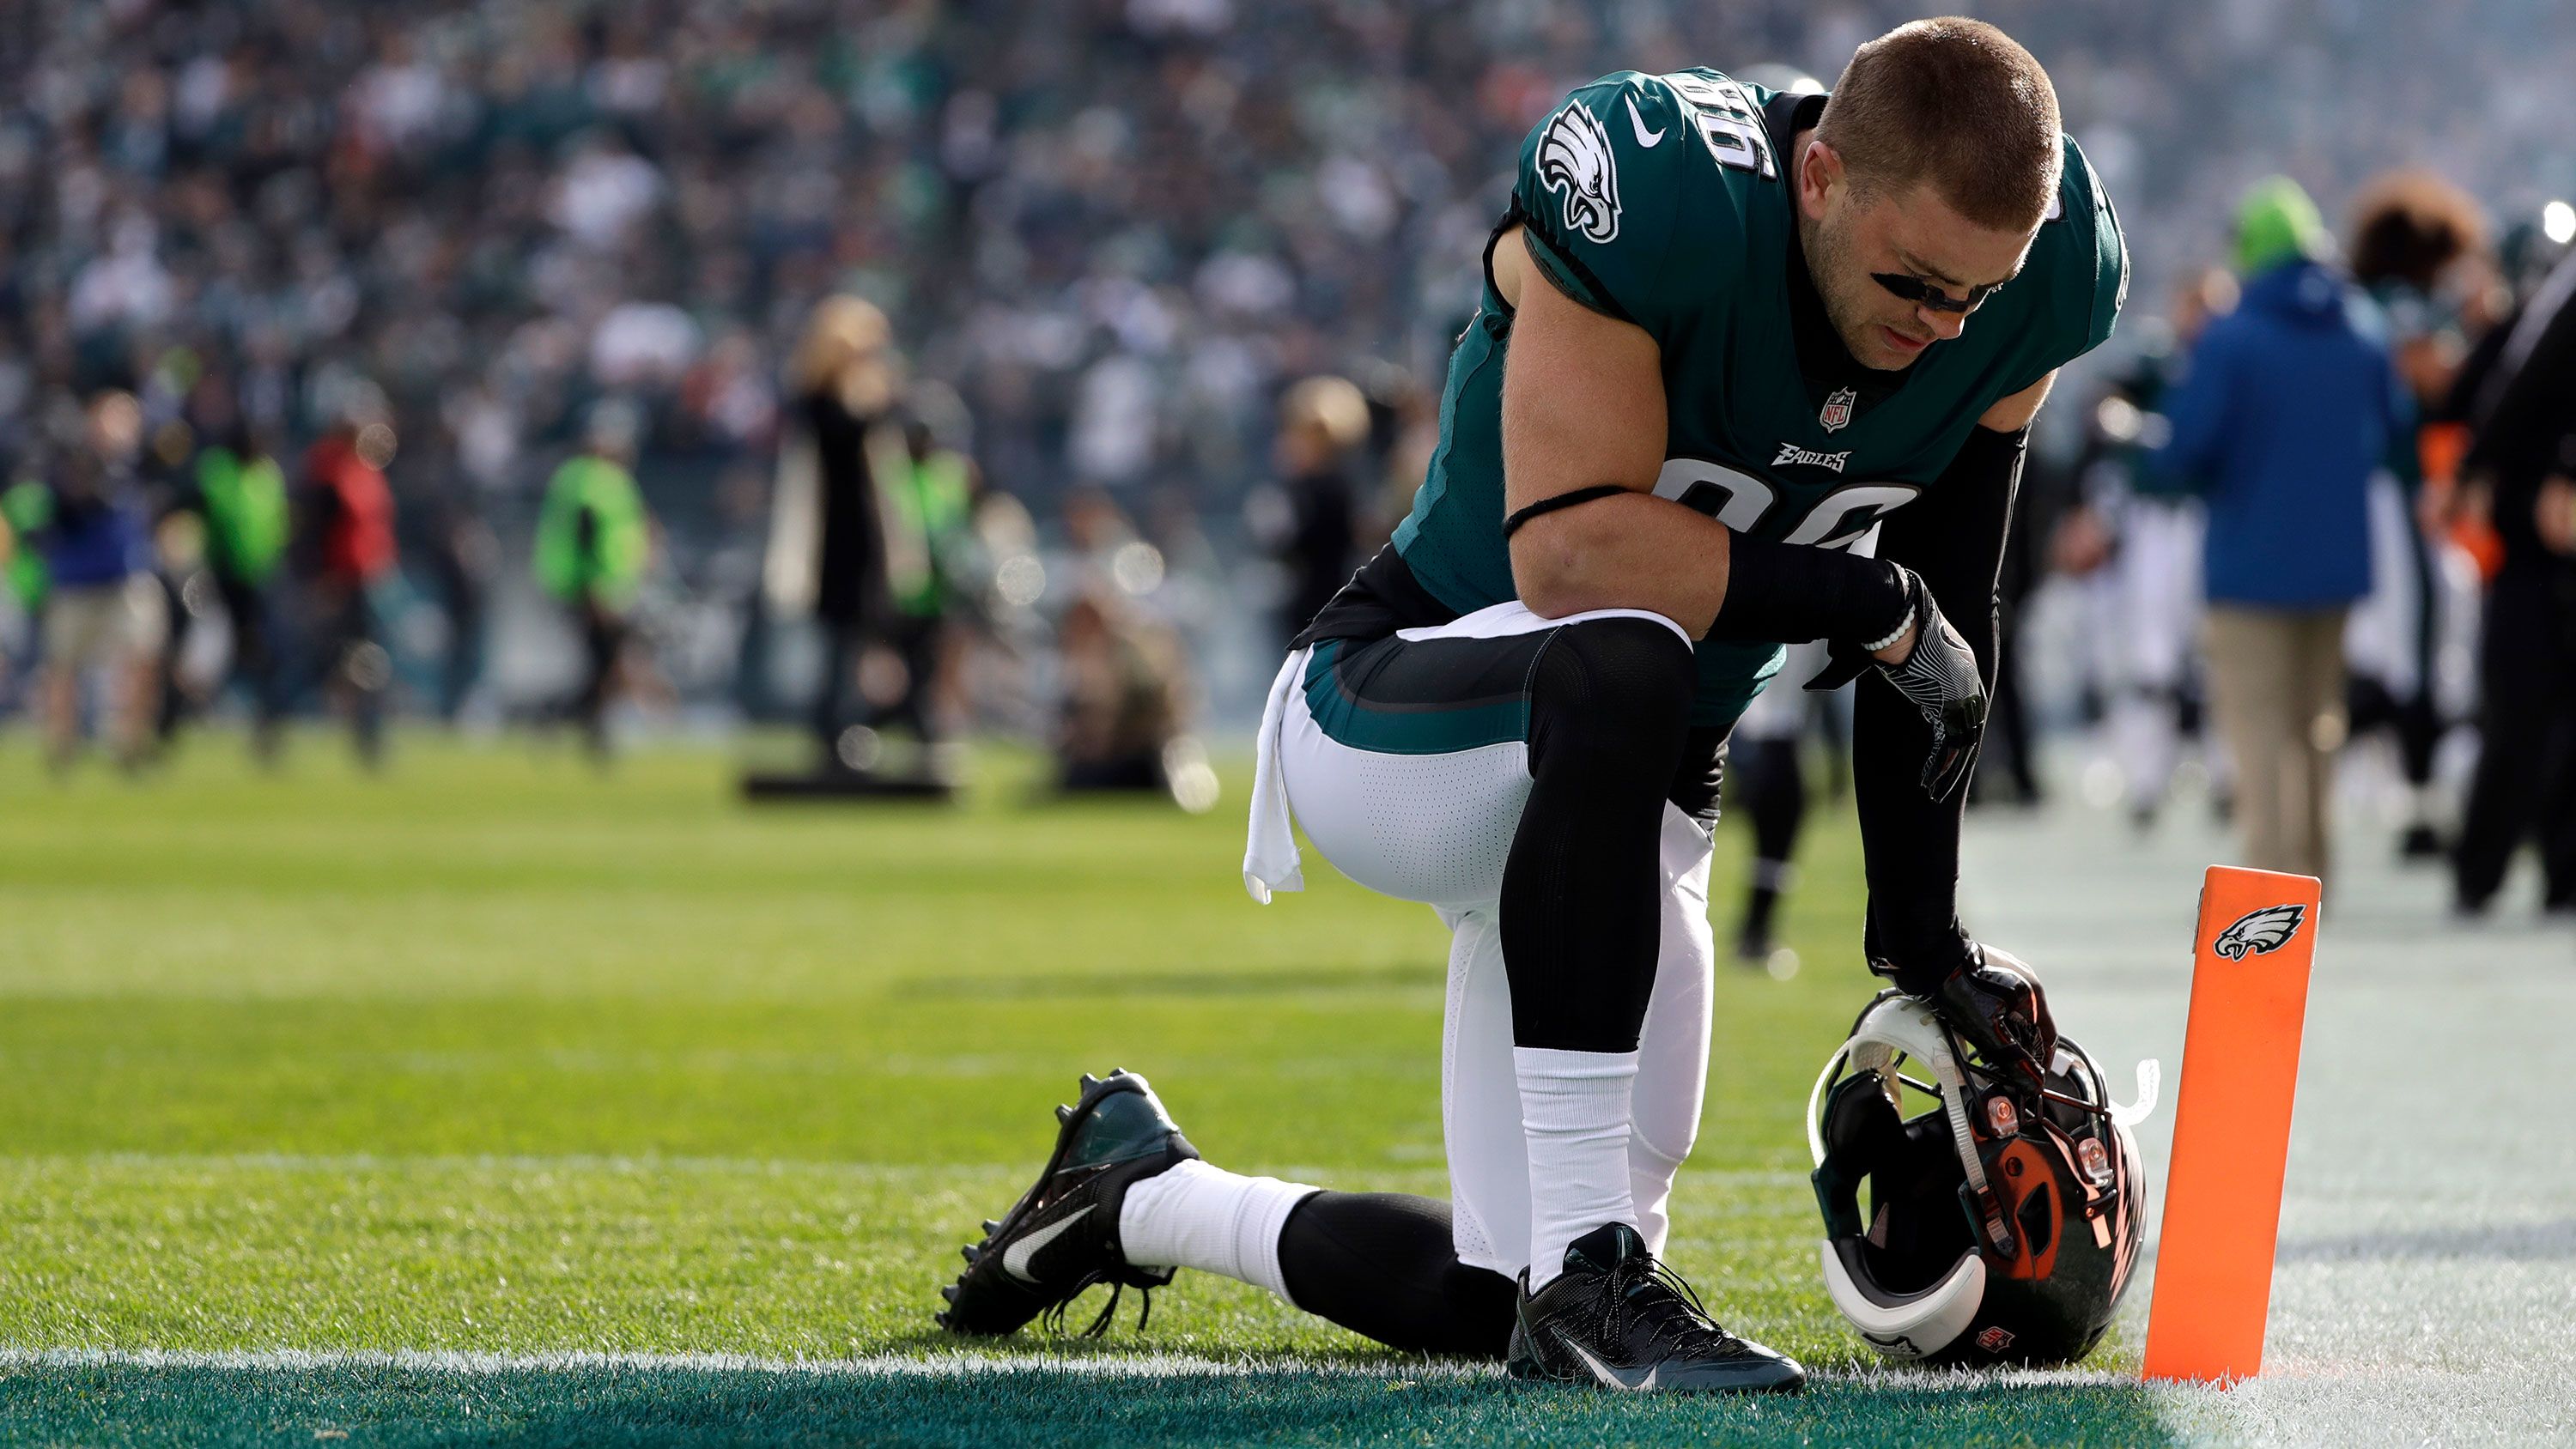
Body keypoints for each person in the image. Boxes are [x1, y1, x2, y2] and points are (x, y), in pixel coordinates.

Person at [941, 21, 2111, 1392]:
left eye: (1979, 297)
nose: (1942, 325)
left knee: (1486, 1288)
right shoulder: (1663, 189)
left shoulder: (2036, 278)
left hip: (1632, 783)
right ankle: (1592, 1279)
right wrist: (1865, 603)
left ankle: (1138, 1193)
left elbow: (1946, 622)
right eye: (1913, 280)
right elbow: (1570, 559)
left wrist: (1923, 938)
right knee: (1628, 655)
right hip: (1404, 704)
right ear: (1821, 178)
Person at [2151, 179, 2410, 888]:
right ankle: (2317, 874)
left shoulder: (2231, 337)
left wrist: (2143, 459)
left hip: (2249, 566)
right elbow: (2395, 433)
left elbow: (2186, 449)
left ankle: (2273, 896)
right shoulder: (2362, 325)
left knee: (2258, 732)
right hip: (2335, 566)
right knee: (2316, 727)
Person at [2343, 172, 2488, 860]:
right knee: (2421, 647)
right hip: (2396, 488)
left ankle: (2405, 795)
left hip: (2364, 488)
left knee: (2393, 647)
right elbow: (2434, 372)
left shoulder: (2360, 300)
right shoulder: (2407, 306)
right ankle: (2423, 805)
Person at [2442, 239, 2576, 913]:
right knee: (2521, 698)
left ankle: (2532, 870)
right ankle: (2494, 868)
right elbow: (2517, 383)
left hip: (2545, 516)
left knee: (2527, 700)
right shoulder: (2557, 287)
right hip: (2533, 526)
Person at [766, 295, 903, 771]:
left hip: (864, 540)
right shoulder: (821, 401)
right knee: (838, 647)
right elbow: (840, 426)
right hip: (831, 541)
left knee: (858, 645)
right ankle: (834, 736)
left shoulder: (863, 399)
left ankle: (850, 734)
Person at [15, 392, 167, 771]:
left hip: (126, 575)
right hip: (76, 579)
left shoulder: (140, 461)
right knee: (63, 665)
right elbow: (59, 506)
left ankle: (129, 743)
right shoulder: (71, 458)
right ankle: (62, 748)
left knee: (142, 655)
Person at [534, 400, 653, 758]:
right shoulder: (592, 479)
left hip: (600, 586)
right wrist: (596, 590)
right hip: (593, 588)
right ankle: (564, 722)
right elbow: (588, 539)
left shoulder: (588, 477)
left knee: (602, 664)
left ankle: (588, 729)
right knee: (604, 663)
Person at [295, 396, 402, 768]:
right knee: (332, 659)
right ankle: (281, 721)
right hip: (340, 580)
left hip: (370, 578)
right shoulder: (328, 473)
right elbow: (313, 531)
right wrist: (320, 579)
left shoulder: (367, 468)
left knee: (367, 658)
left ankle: (368, 736)